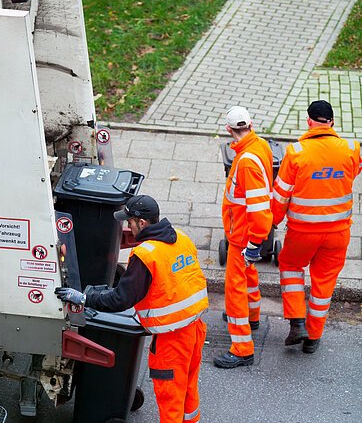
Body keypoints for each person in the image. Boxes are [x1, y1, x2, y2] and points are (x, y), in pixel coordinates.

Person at [55, 195, 209, 423]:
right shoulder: (181, 239)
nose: (128, 226)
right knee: (187, 391)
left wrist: (84, 297)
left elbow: (120, 300)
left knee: (170, 401)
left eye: (130, 222)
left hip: (171, 343)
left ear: (142, 223)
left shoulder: (147, 255)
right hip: (195, 330)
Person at [272, 100, 361, 353]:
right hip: (338, 233)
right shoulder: (352, 148)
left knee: (290, 266)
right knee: (324, 283)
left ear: (309, 121)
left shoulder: (296, 152)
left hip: (303, 232)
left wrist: (273, 221)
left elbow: (281, 195)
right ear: (332, 122)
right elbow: (353, 171)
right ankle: (313, 337)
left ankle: (297, 321)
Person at [213, 106, 273, 369]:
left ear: (228, 129)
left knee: (234, 290)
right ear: (251, 124)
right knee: (249, 277)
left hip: (242, 235)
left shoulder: (247, 161)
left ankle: (241, 348)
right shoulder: (259, 145)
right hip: (245, 233)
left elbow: (258, 209)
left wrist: (253, 242)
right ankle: (253, 316)